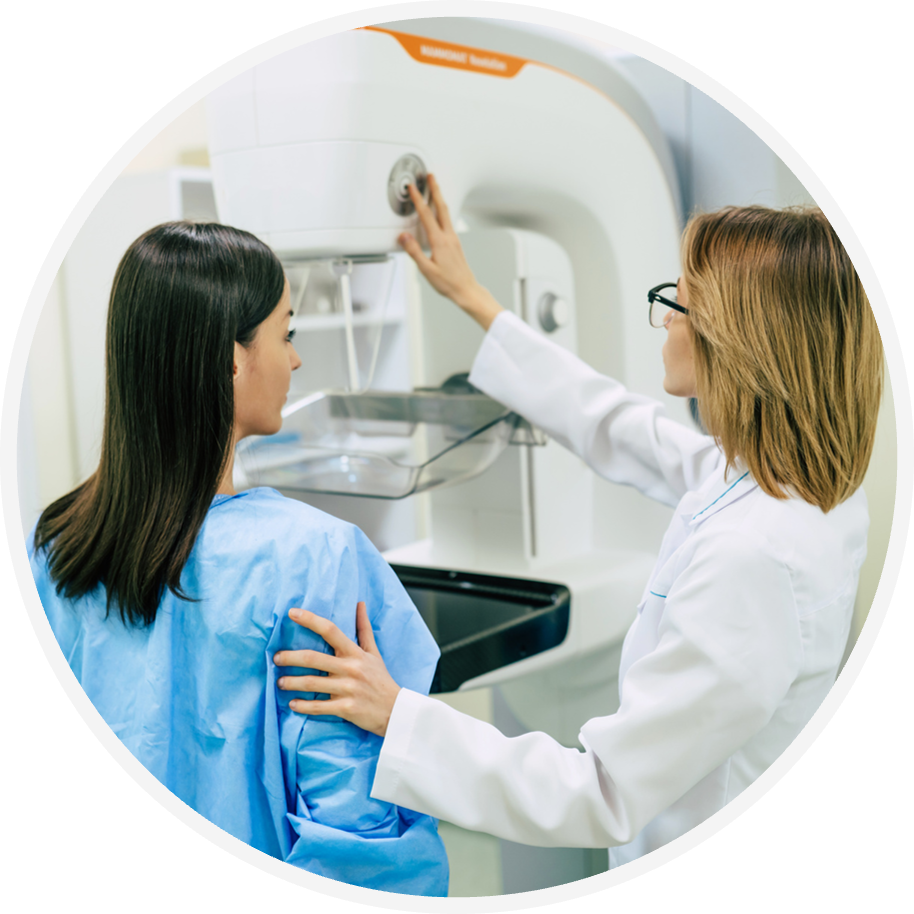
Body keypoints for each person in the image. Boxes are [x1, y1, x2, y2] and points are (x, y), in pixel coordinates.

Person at [272, 176, 884, 867]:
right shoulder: (800, 480)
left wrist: (397, 716)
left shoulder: (754, 556)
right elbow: (625, 429)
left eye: (678, 301)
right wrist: (473, 298)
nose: (665, 317)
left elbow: (600, 791)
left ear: (736, 340)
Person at [29, 221, 448, 895]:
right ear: (231, 358)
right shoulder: (314, 556)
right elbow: (354, 828)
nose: (296, 360)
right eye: (286, 334)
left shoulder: (57, 545)